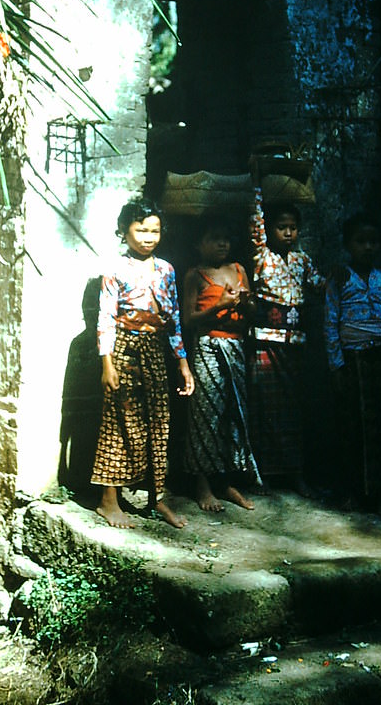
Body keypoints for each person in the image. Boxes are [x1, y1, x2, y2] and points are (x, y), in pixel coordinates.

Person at [92, 198, 194, 529]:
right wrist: (107, 364)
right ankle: (108, 501)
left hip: (155, 351)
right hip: (124, 350)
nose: (148, 238)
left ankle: (157, 498)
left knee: (159, 424)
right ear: (124, 232)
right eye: (141, 230)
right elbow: (106, 317)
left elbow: (173, 319)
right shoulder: (115, 270)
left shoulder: (166, 270)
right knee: (118, 423)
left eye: (155, 231)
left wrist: (182, 362)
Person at [324, 212, 381, 510]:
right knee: (353, 424)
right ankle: (353, 491)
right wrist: (336, 365)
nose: (368, 247)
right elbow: (330, 322)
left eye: (373, 242)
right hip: (353, 359)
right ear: (348, 245)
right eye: (361, 241)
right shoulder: (340, 278)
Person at [181, 215, 261, 512]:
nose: (222, 244)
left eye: (226, 239)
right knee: (205, 414)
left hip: (236, 347)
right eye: (214, 239)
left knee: (232, 412)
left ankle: (226, 481)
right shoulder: (195, 275)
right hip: (208, 347)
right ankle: (202, 484)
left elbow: (253, 313)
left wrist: (247, 303)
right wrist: (220, 305)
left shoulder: (238, 270)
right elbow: (188, 319)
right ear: (198, 244)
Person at [249, 185, 324, 494]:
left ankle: (295, 472)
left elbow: (319, 285)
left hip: (296, 344)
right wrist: (257, 186)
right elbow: (255, 227)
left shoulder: (302, 260)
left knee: (294, 409)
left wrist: (335, 278)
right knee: (266, 406)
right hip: (267, 342)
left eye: (293, 227)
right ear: (269, 230)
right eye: (282, 227)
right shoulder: (262, 256)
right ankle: (265, 473)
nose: (288, 233)